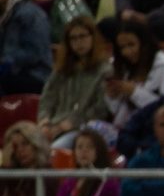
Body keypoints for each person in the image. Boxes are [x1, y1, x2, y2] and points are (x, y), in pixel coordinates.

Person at [37, 16, 110, 151]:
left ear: (92, 37)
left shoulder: (105, 71)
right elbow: (47, 99)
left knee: (55, 150)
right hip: (53, 126)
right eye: (73, 38)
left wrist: (70, 123)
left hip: (83, 130)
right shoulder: (61, 70)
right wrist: (44, 122)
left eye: (82, 36)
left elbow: (101, 109)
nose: (78, 42)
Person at [104, 19, 164, 128]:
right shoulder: (124, 67)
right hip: (126, 128)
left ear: (144, 42)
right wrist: (112, 96)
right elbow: (115, 111)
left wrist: (134, 92)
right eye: (122, 47)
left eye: (131, 45)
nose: (127, 52)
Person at [0, 0, 52, 94]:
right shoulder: (3, 14)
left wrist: (6, 63)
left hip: (35, 76)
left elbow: (35, 52)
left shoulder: (30, 13)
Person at [53, 126, 121, 196]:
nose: (84, 151)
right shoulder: (68, 183)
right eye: (79, 147)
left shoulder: (107, 183)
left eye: (90, 147)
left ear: (99, 151)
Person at [0, 119, 48, 196]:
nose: (20, 150)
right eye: (15, 147)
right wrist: (5, 166)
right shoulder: (13, 173)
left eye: (25, 144)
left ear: (36, 145)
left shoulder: (46, 174)